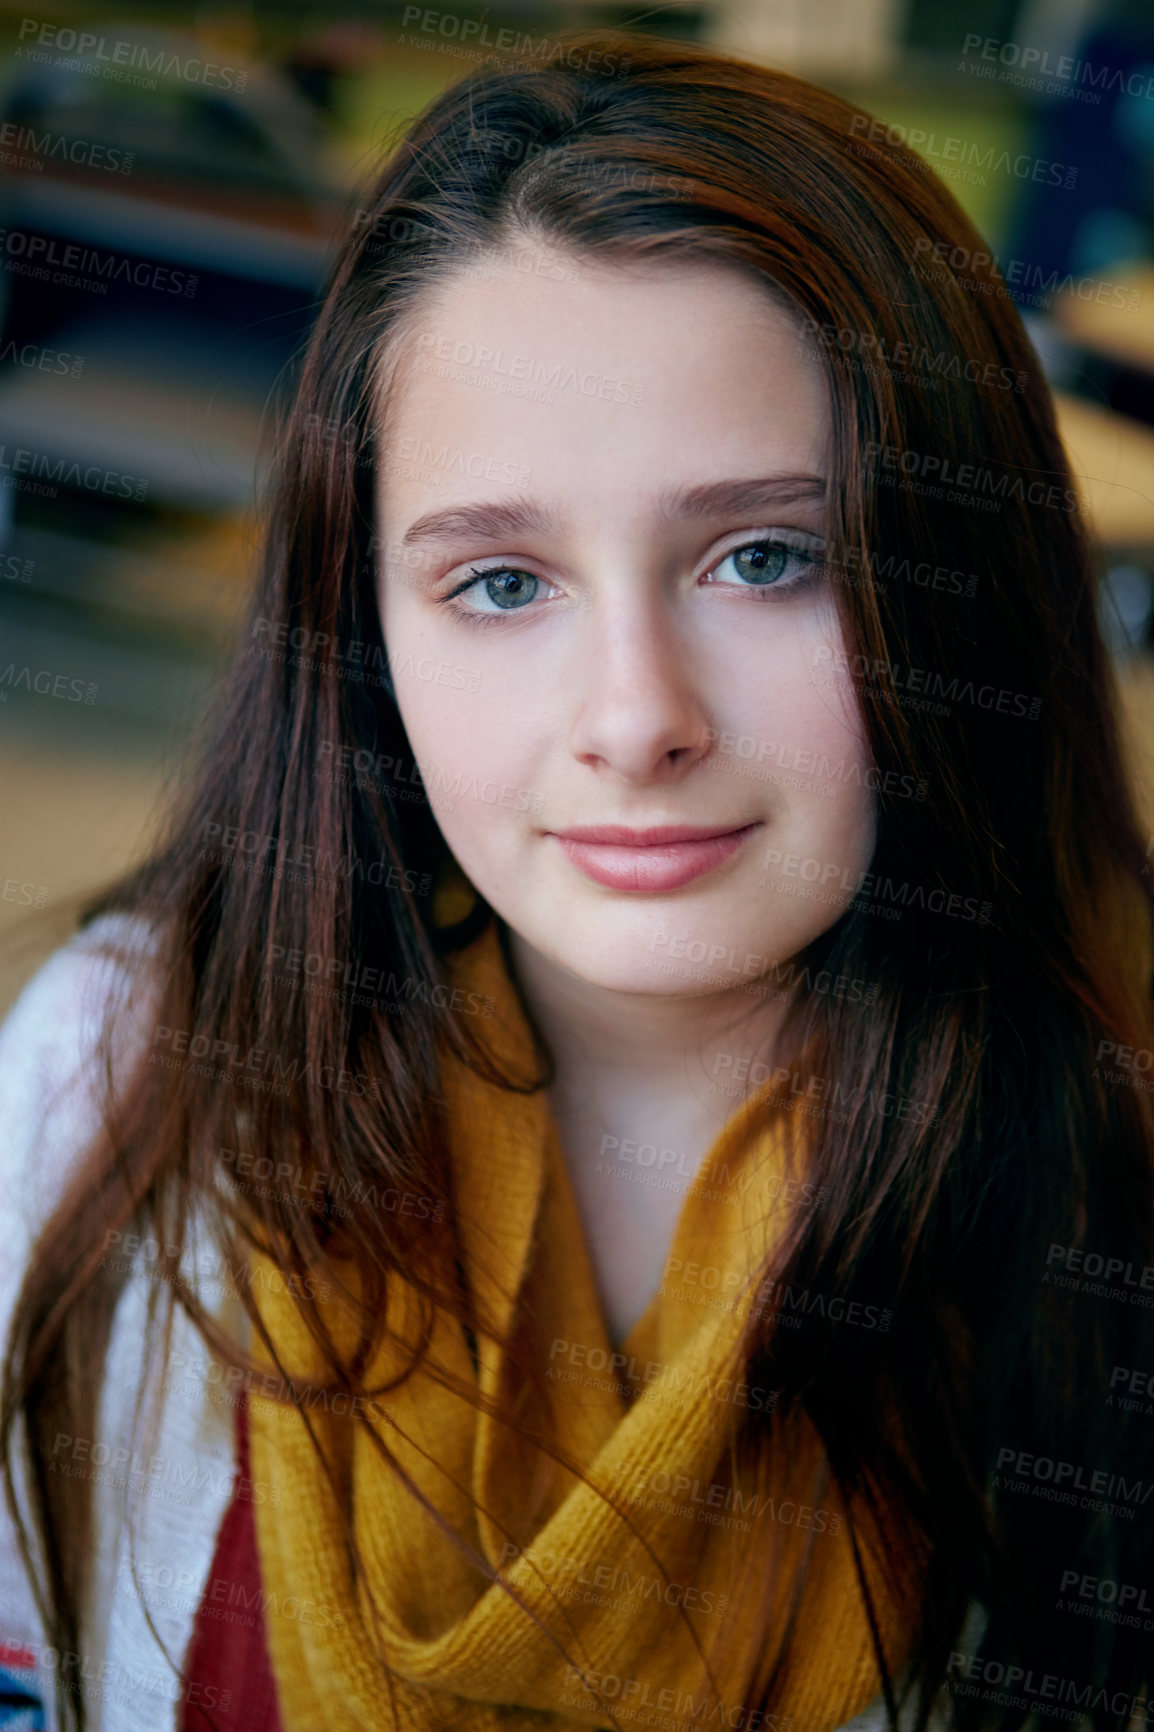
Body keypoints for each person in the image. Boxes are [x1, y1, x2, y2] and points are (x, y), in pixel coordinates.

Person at [3, 25, 1153, 1732]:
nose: (634, 719)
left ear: (957, 583)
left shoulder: (1101, 1188)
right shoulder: (112, 1078)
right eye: (499, 583)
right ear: (361, 628)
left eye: (766, 558)